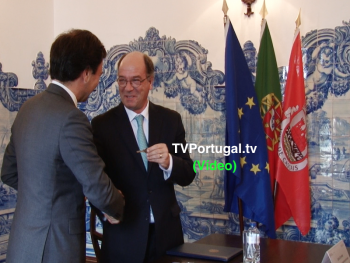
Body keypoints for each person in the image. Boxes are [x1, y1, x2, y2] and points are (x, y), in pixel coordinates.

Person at [0, 29, 125, 263]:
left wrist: (48, 195)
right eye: (99, 74)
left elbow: (8, 172)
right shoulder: (71, 118)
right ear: (86, 74)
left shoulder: (27, 108)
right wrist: (116, 207)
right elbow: (97, 187)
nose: (98, 82)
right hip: (55, 248)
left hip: (21, 246)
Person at [91, 51, 196, 263]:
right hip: (123, 238)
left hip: (166, 237)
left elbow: (188, 174)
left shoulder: (171, 120)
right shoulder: (102, 126)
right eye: (122, 81)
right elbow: (93, 181)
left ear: (150, 81)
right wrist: (104, 209)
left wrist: (169, 162)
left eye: (136, 80)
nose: (128, 88)